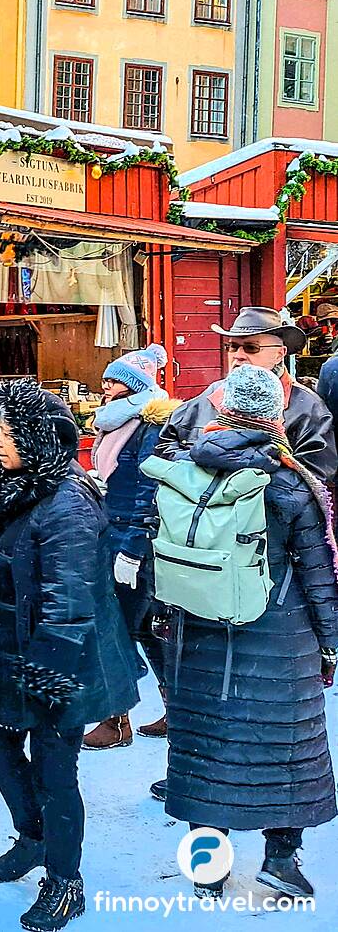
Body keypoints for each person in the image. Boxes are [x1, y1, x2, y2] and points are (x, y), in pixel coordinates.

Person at [158, 365, 338, 900]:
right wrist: (330, 641)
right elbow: (317, 571)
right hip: (279, 636)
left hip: (197, 631)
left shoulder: (182, 469)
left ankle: (207, 870)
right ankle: (280, 861)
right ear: (275, 415)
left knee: (204, 749)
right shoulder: (289, 482)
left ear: (222, 409)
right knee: (287, 752)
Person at [0, 381, 140, 932]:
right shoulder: (26, 488)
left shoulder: (67, 503)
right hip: (17, 647)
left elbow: (68, 603)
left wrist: (50, 681)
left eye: (7, 430)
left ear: (40, 437)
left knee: (54, 771)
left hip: (59, 659)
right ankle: (34, 836)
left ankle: (65, 880)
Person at [82, 345, 178, 750]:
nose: (105, 387)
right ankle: (165, 709)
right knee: (134, 626)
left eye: (114, 380)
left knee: (125, 627)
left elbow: (148, 488)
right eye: (104, 379)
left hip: (131, 536)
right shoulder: (115, 423)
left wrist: (134, 548)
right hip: (112, 528)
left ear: (135, 385)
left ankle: (117, 716)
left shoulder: (148, 426)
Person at [156, 306, 336, 481]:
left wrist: (245, 481)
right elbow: (164, 446)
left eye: (251, 348)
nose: (238, 355)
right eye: (233, 347)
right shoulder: (210, 394)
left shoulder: (307, 407)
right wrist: (202, 471)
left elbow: (315, 474)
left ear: (279, 354)